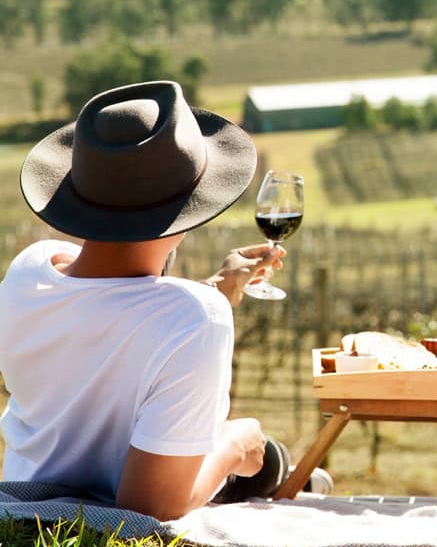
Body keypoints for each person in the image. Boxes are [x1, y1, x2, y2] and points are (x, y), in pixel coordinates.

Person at [0, 80, 298, 520]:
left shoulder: (28, 271)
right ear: (190, 210)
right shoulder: (196, 320)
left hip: (24, 498)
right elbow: (150, 505)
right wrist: (237, 444)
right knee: (260, 452)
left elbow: (106, 310)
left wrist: (214, 287)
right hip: (103, 517)